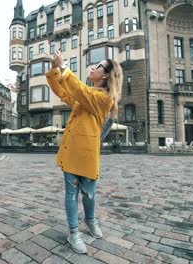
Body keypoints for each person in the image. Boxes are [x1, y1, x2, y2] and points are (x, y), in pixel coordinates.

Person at [46, 50, 123, 254]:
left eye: (98, 66)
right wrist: (55, 69)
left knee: (89, 194)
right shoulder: (85, 95)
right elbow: (64, 92)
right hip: (72, 149)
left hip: (88, 153)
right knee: (71, 193)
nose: (94, 67)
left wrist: (64, 67)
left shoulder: (105, 98)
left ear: (106, 75)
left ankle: (90, 219)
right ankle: (73, 232)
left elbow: (80, 91)